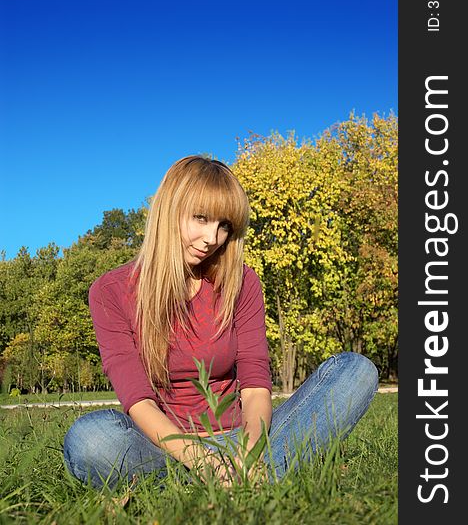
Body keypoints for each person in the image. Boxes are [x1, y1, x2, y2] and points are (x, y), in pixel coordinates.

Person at [63, 155, 378, 490]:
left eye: (224, 225)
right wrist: (202, 459)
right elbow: (137, 401)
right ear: (169, 210)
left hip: (241, 438)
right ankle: (250, 481)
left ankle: (222, 481)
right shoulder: (111, 292)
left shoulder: (241, 282)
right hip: (163, 448)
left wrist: (250, 450)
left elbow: (256, 384)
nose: (212, 238)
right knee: (90, 440)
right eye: (201, 218)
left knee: (356, 371)